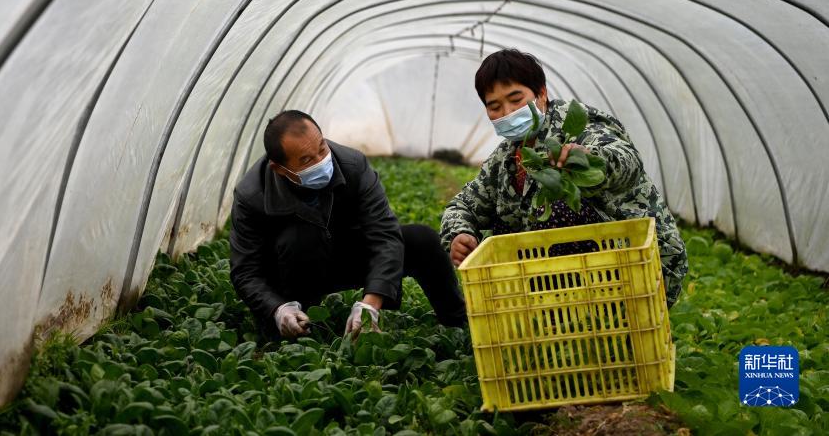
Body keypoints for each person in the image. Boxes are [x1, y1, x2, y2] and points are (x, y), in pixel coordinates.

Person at [440, 49, 688, 306]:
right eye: (495, 106)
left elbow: (626, 160)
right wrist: (460, 234)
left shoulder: (578, 124)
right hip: (567, 278)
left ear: (541, 93)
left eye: (516, 99)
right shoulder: (506, 159)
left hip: (639, 265)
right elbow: (463, 205)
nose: (508, 112)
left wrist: (590, 159)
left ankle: (581, 312)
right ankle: (549, 315)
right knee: (504, 233)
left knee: (559, 209)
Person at [230, 110, 467, 340]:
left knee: (422, 239)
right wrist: (277, 308)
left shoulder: (352, 165)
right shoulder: (251, 195)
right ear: (280, 169)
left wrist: (371, 302)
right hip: (293, 268)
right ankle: (298, 322)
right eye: (306, 160)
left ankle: (459, 322)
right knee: (299, 239)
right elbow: (245, 270)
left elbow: (384, 234)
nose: (321, 161)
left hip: (344, 253)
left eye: (322, 148)